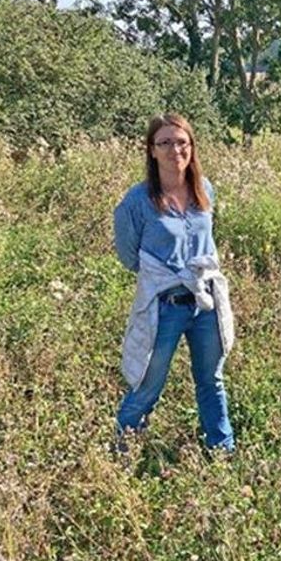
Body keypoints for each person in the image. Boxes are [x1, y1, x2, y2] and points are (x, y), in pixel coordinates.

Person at [113, 114, 236, 451]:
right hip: (165, 306)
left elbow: (208, 242)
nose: (174, 150)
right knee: (147, 385)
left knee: (211, 381)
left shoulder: (204, 190)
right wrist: (167, 276)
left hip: (205, 304)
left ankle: (222, 451)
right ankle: (121, 451)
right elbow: (129, 257)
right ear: (151, 150)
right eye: (164, 143)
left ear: (191, 147)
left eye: (181, 142)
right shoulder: (137, 201)